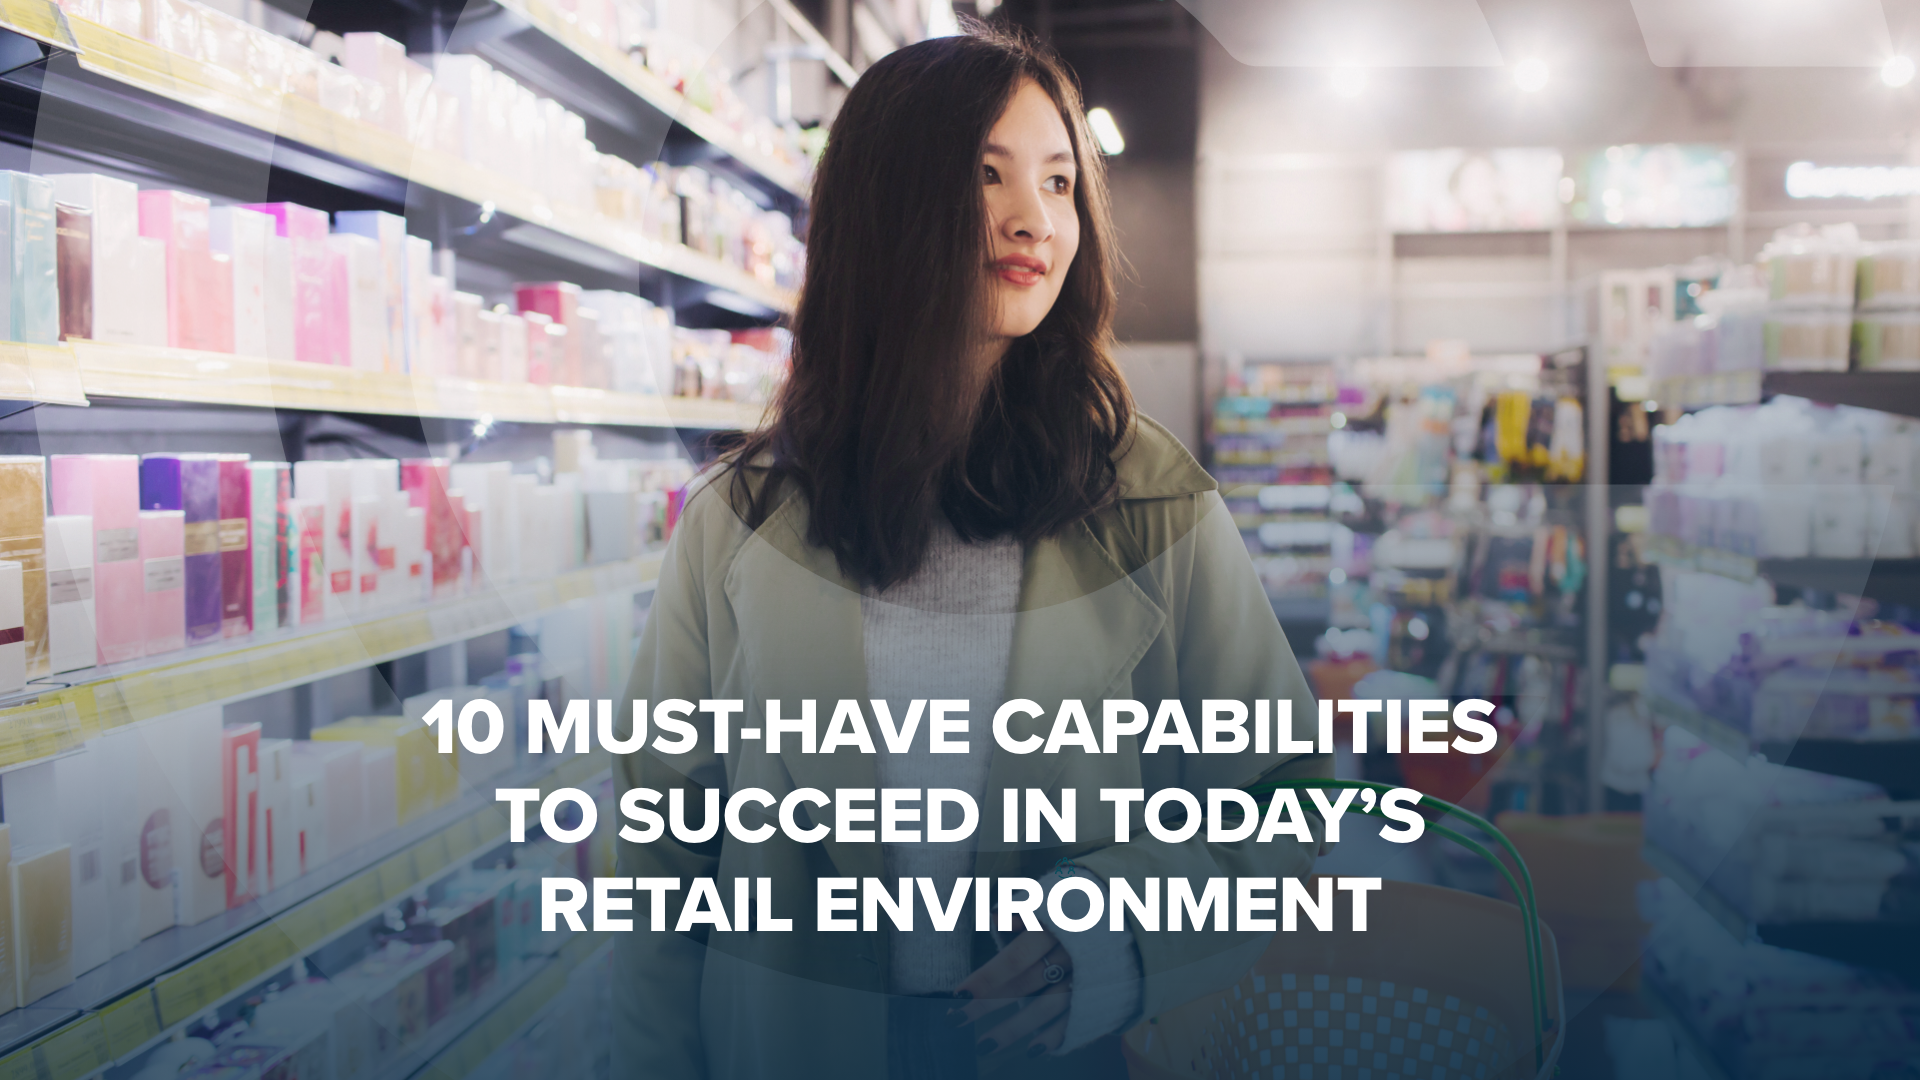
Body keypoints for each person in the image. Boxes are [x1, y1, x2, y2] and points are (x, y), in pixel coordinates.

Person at [613, 23, 1326, 1080]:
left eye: (1057, 181)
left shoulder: (1149, 500)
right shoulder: (737, 519)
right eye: (986, 175)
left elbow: (1292, 802)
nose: (1034, 218)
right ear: (884, 204)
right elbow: (658, 869)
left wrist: (1120, 937)